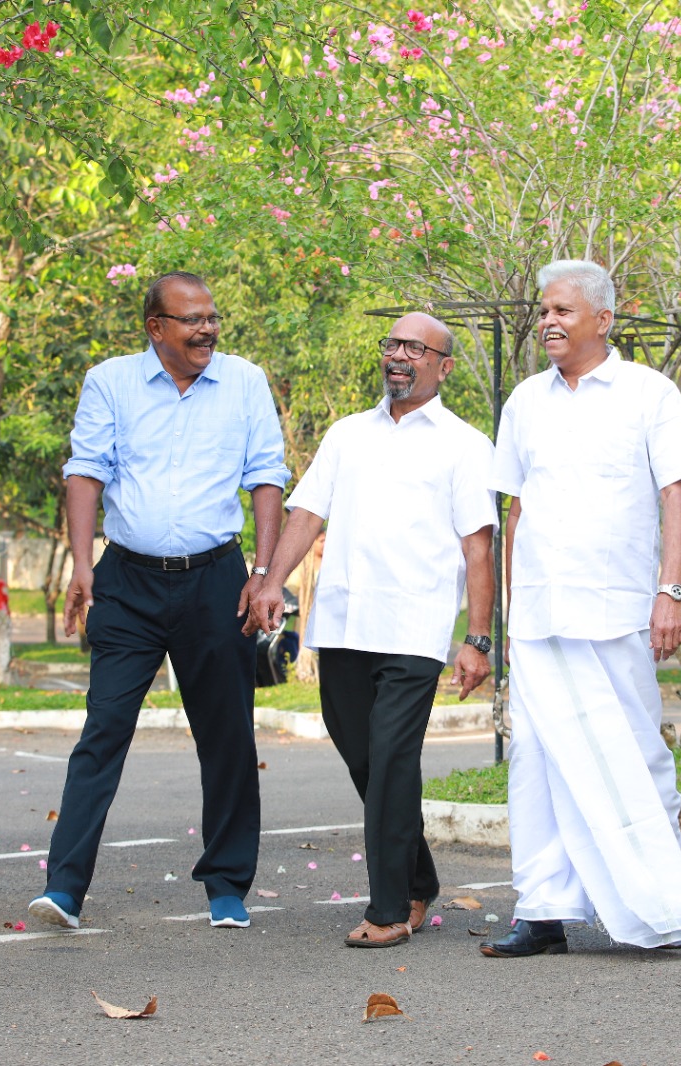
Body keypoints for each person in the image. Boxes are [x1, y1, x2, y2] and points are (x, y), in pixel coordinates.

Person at [29, 271, 289, 932]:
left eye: (212, 318)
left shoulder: (244, 381)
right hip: (129, 581)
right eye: (191, 320)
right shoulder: (110, 382)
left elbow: (265, 477)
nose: (207, 330)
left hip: (215, 581)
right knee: (103, 728)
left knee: (227, 734)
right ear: (155, 328)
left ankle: (227, 885)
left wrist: (263, 574)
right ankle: (65, 888)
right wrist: (83, 564)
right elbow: (85, 471)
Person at [247, 312, 497, 949]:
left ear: (443, 366)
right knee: (364, 759)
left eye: (417, 348)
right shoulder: (346, 435)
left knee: (391, 762)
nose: (400, 356)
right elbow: (306, 514)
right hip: (343, 624)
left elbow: (478, 548)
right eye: (393, 344)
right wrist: (273, 580)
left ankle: (388, 910)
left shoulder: (465, 444)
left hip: (412, 630)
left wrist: (477, 638)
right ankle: (419, 878)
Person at [480, 259, 681, 957]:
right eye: (543, 310)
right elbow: (516, 512)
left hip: (618, 611)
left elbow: (676, 494)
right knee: (538, 761)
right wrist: (510, 621)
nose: (547, 322)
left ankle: (657, 905)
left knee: (634, 755)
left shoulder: (649, 393)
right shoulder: (524, 401)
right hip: (542, 617)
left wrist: (668, 592)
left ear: (603, 320)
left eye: (562, 311)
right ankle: (542, 911)